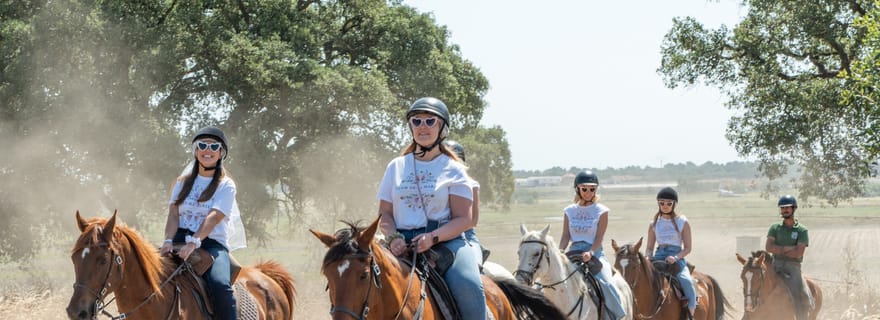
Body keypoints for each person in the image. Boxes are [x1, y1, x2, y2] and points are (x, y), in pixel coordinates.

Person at [378, 97, 487, 319]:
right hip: (400, 243)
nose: (423, 127)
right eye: (416, 121)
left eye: (430, 121)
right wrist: (393, 238)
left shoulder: (454, 169)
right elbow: (384, 214)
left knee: (468, 283)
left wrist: (432, 238)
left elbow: (464, 219)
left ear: (442, 128)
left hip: (446, 243)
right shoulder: (396, 167)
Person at [159, 126, 239, 320]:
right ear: (196, 150)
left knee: (220, 285)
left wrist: (194, 241)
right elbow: (173, 215)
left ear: (221, 153)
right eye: (202, 145)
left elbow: (214, 217)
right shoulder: (181, 182)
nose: (207, 150)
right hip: (178, 241)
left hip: (211, 245)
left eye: (214, 147)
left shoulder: (226, 185)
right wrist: (168, 240)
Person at [558, 171, 627, 320]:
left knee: (606, 283)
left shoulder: (601, 211)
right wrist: (560, 252)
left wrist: (590, 252)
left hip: (594, 252)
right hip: (573, 252)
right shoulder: (569, 211)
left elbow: (599, 237)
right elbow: (565, 236)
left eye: (592, 189)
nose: (588, 192)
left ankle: (615, 316)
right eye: (585, 189)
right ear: (577, 189)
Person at [646, 186, 697, 318]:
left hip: (676, 257)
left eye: (669, 203)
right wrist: (647, 257)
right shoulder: (653, 224)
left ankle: (691, 312)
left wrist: (675, 257)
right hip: (658, 256)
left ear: (674, 204)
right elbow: (649, 248)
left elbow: (688, 248)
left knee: (686, 281)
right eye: (662, 203)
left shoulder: (682, 222)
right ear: (658, 203)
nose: (665, 206)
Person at [765, 195, 812, 320]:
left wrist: (779, 249)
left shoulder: (802, 230)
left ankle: (802, 317)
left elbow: (799, 253)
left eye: (787, 207)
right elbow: (768, 247)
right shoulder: (775, 228)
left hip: (794, 267)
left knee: (801, 292)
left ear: (793, 209)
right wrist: (789, 248)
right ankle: (748, 314)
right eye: (782, 208)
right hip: (775, 264)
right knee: (756, 286)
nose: (784, 210)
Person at [443, 140, 486, 265]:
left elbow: (473, 221)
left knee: (475, 266)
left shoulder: (471, 185)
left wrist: (448, 231)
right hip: (437, 235)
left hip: (465, 236)